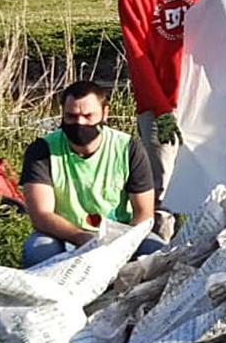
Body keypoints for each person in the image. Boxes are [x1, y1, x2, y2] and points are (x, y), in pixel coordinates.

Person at [119, 0, 216, 204]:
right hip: (161, 105)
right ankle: (160, 247)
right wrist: (160, 110)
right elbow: (138, 56)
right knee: (163, 190)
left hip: (204, 103)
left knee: (213, 184)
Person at [19, 81, 165, 268]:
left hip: (120, 234)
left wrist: (122, 245)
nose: (79, 123)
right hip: (62, 234)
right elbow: (41, 215)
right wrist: (83, 238)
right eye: (71, 116)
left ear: (105, 113)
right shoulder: (42, 150)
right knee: (39, 251)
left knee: (157, 253)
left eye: (88, 116)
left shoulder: (128, 148)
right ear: (62, 114)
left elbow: (144, 212)